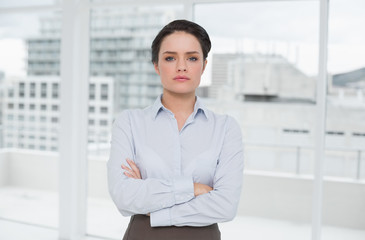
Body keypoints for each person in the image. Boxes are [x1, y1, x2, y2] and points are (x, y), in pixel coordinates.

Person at [107, 19, 244, 240]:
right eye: (170, 58)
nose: (182, 66)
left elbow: (226, 206)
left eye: (192, 58)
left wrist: (152, 201)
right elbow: (124, 197)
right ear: (156, 65)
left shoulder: (226, 128)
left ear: (204, 65)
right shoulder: (130, 123)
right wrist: (193, 188)